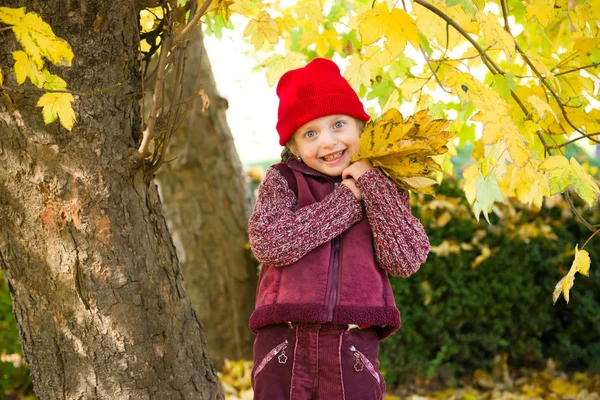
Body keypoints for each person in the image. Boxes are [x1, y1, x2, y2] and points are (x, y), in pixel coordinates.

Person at [248, 57, 430, 400]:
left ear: (361, 127)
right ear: (294, 147)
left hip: (352, 344)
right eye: (311, 133)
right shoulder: (283, 179)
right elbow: (270, 243)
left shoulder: (385, 187)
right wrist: (347, 201)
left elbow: (406, 259)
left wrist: (371, 184)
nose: (328, 142)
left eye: (338, 125)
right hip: (285, 340)